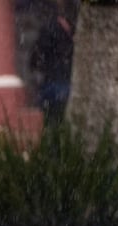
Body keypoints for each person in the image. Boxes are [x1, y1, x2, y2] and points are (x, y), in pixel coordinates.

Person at [29, 0, 75, 130]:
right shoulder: (63, 30)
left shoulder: (52, 29)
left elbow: (36, 58)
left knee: (54, 123)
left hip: (56, 84)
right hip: (59, 84)